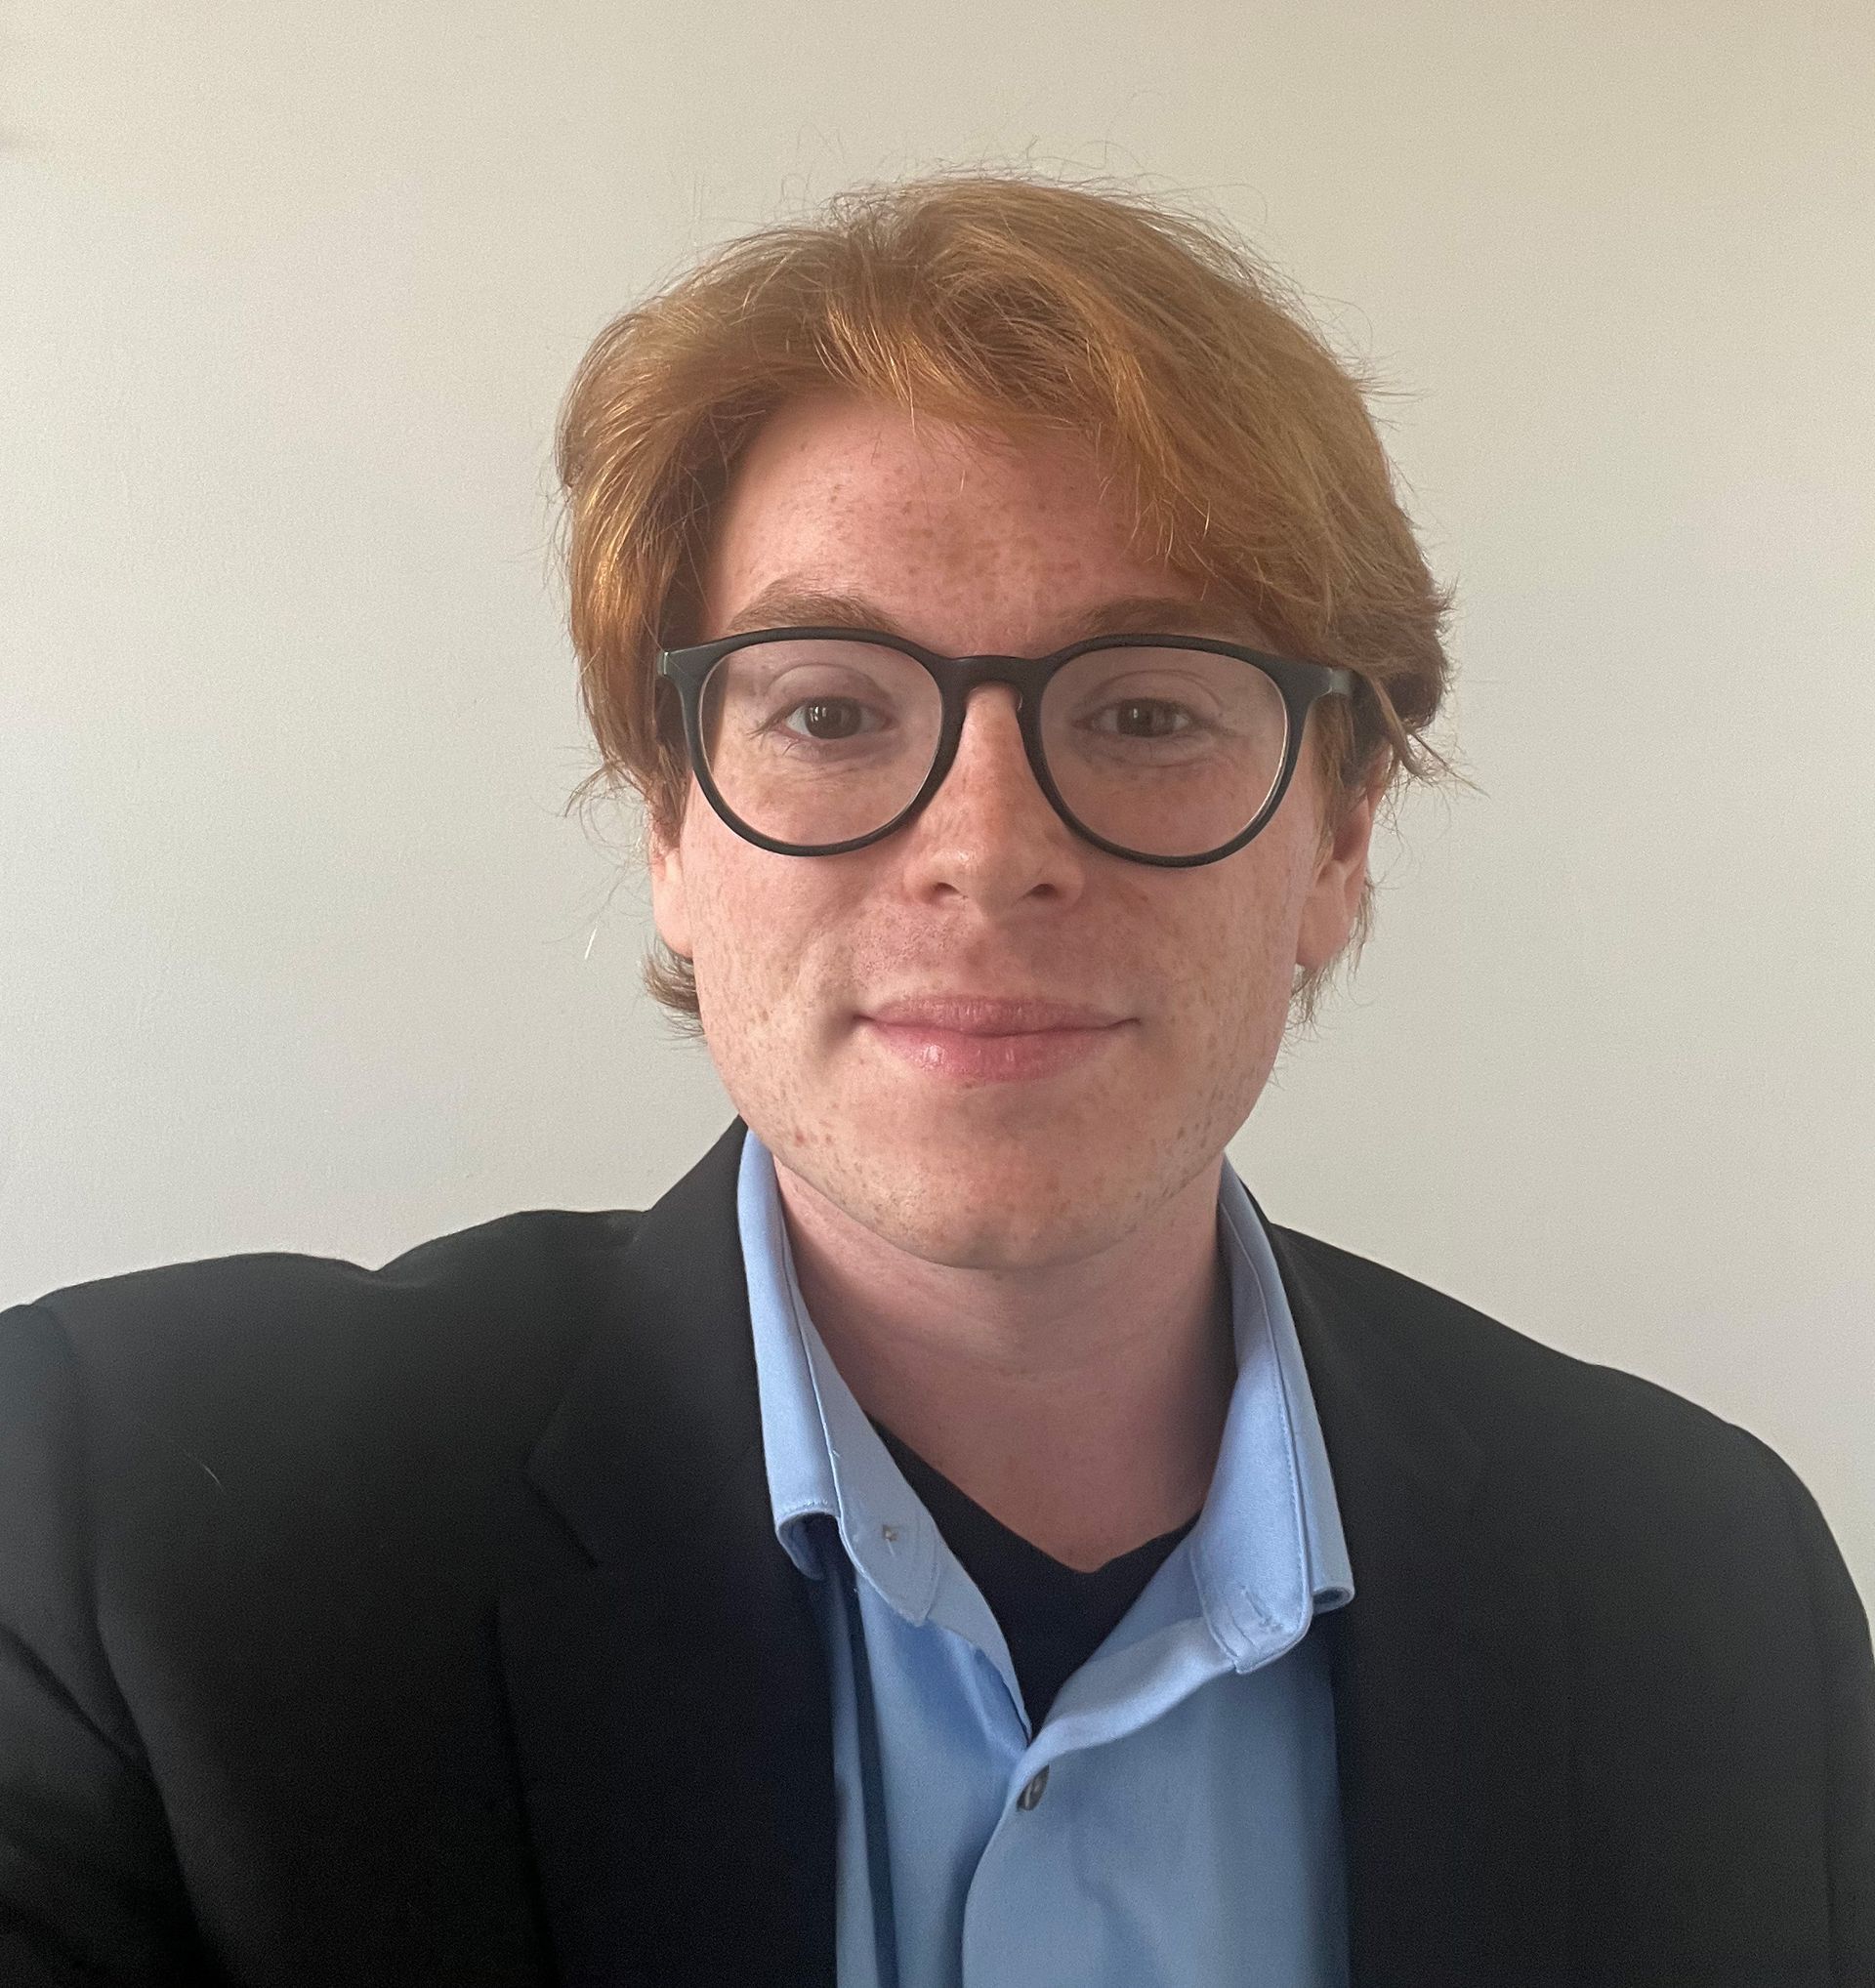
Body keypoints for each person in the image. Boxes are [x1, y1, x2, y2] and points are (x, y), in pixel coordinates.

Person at [1, 174, 1868, 1988]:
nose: (987, 849)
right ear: (669, 825)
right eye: (827, 710)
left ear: (1341, 833)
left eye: (1145, 711)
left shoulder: (1710, 1596)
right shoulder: (124, 1526)